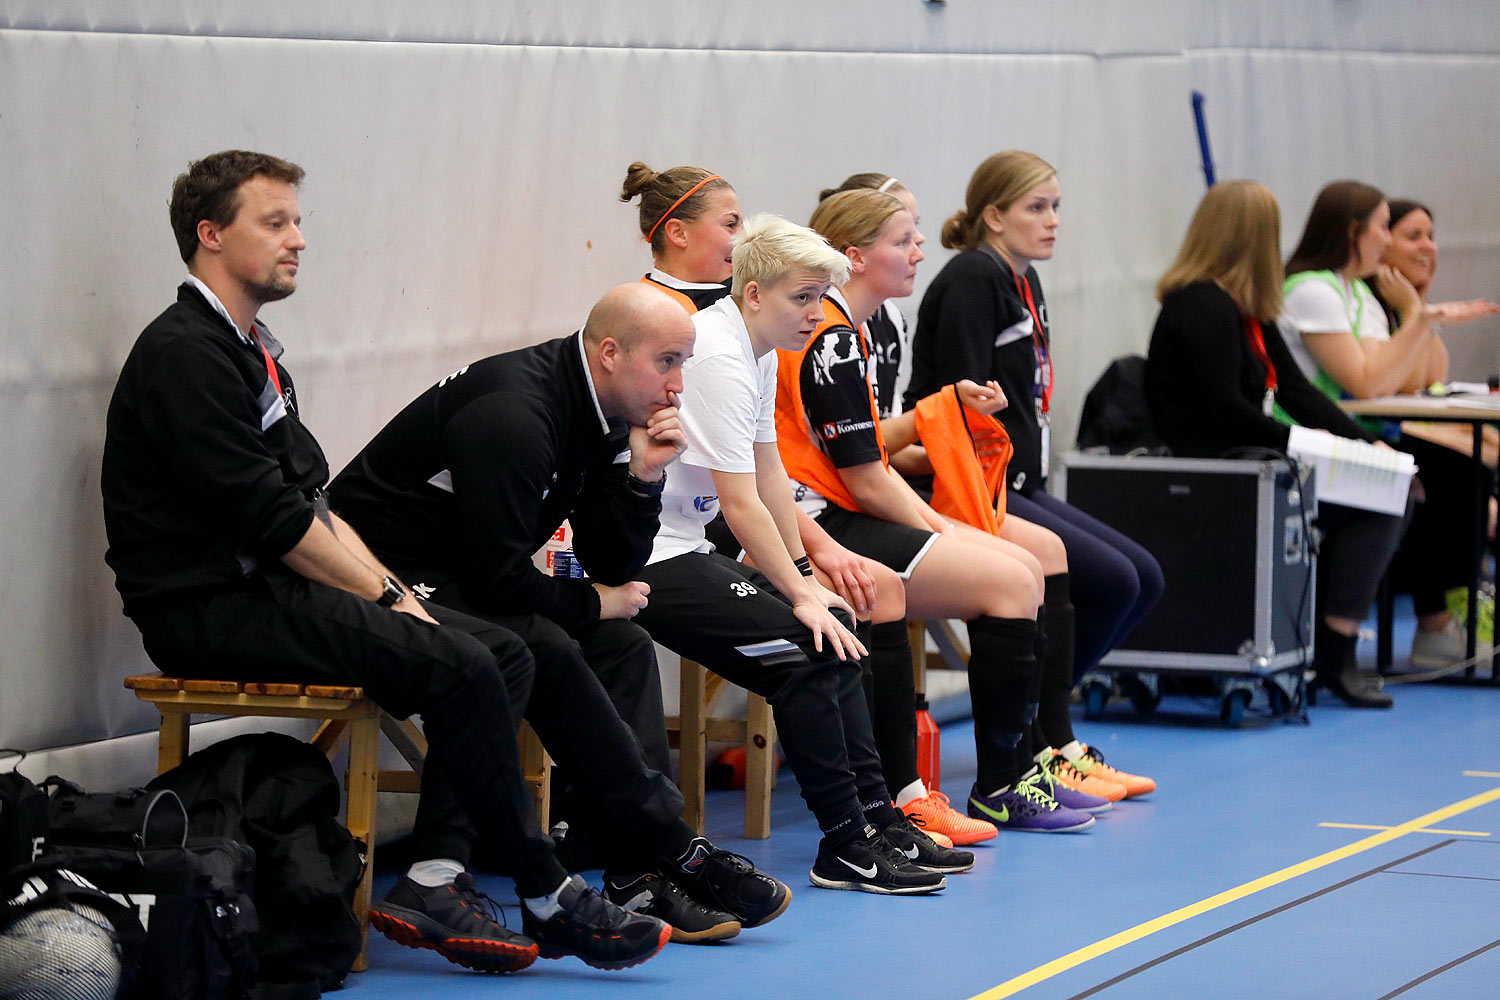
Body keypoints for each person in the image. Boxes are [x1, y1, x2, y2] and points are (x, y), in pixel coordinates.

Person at [103, 150, 698, 977]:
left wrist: (389, 594)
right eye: (274, 223)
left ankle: (442, 875)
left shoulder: (251, 349)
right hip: (209, 606)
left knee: (503, 649)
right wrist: (386, 591)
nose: (298, 240)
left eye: (298, 221)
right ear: (209, 235)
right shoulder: (185, 354)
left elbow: (314, 505)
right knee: (463, 662)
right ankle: (540, 885)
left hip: (271, 586)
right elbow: (272, 521)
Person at [327, 282, 794, 943]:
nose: (679, 386)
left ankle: (639, 871)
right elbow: (501, 581)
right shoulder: (515, 415)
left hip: (454, 571)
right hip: (373, 571)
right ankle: (674, 845)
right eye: (668, 361)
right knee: (529, 643)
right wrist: (591, 602)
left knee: (622, 647)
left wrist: (643, 481)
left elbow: (609, 561)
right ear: (610, 352)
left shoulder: (602, 411)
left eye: (685, 363)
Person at [621, 163, 991, 846]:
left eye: (823, 298)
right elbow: (740, 501)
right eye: (806, 299)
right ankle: (851, 836)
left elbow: (770, 481)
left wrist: (811, 563)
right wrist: (800, 589)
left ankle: (883, 814)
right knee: (818, 638)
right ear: (756, 292)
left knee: (843, 615)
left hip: (695, 535)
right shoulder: (713, 349)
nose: (818, 315)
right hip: (646, 550)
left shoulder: (757, 347)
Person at [777, 187, 1111, 835]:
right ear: (854, 257)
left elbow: (868, 451)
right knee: (1014, 575)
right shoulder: (831, 338)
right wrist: (937, 524)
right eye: (902, 240)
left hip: (839, 507)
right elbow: (865, 477)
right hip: (819, 520)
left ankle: (1023, 764)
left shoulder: (856, 329)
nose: (919, 250)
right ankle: (996, 783)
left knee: (1026, 564)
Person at [906, 152, 1164, 780]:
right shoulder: (972, 277)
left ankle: (1036, 715)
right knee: (1109, 579)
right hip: (972, 485)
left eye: (1056, 207)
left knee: (1142, 579)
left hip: (1021, 480)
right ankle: (1047, 737)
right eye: (1036, 207)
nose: (1053, 221)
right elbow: (954, 403)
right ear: (993, 216)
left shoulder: (1024, 279)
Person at [1144, 179, 1409, 708]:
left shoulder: (1245, 310)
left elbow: (1296, 390)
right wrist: (1305, 442)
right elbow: (1224, 410)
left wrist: (1364, 445)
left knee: (1390, 486)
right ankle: (1335, 650)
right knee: (1378, 506)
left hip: (1249, 459)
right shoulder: (1201, 306)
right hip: (1216, 470)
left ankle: (1329, 646)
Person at [1292, 193, 1500, 668]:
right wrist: (1418, 315)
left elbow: (1425, 380)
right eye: (1405, 233)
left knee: (1464, 466)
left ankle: (1451, 615)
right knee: (1443, 472)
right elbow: (1372, 383)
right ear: (1359, 236)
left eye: (1431, 236)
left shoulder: (1361, 295)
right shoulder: (1325, 292)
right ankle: (1435, 622)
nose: (1426, 246)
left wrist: (1418, 308)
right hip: (1320, 438)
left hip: (1356, 430)